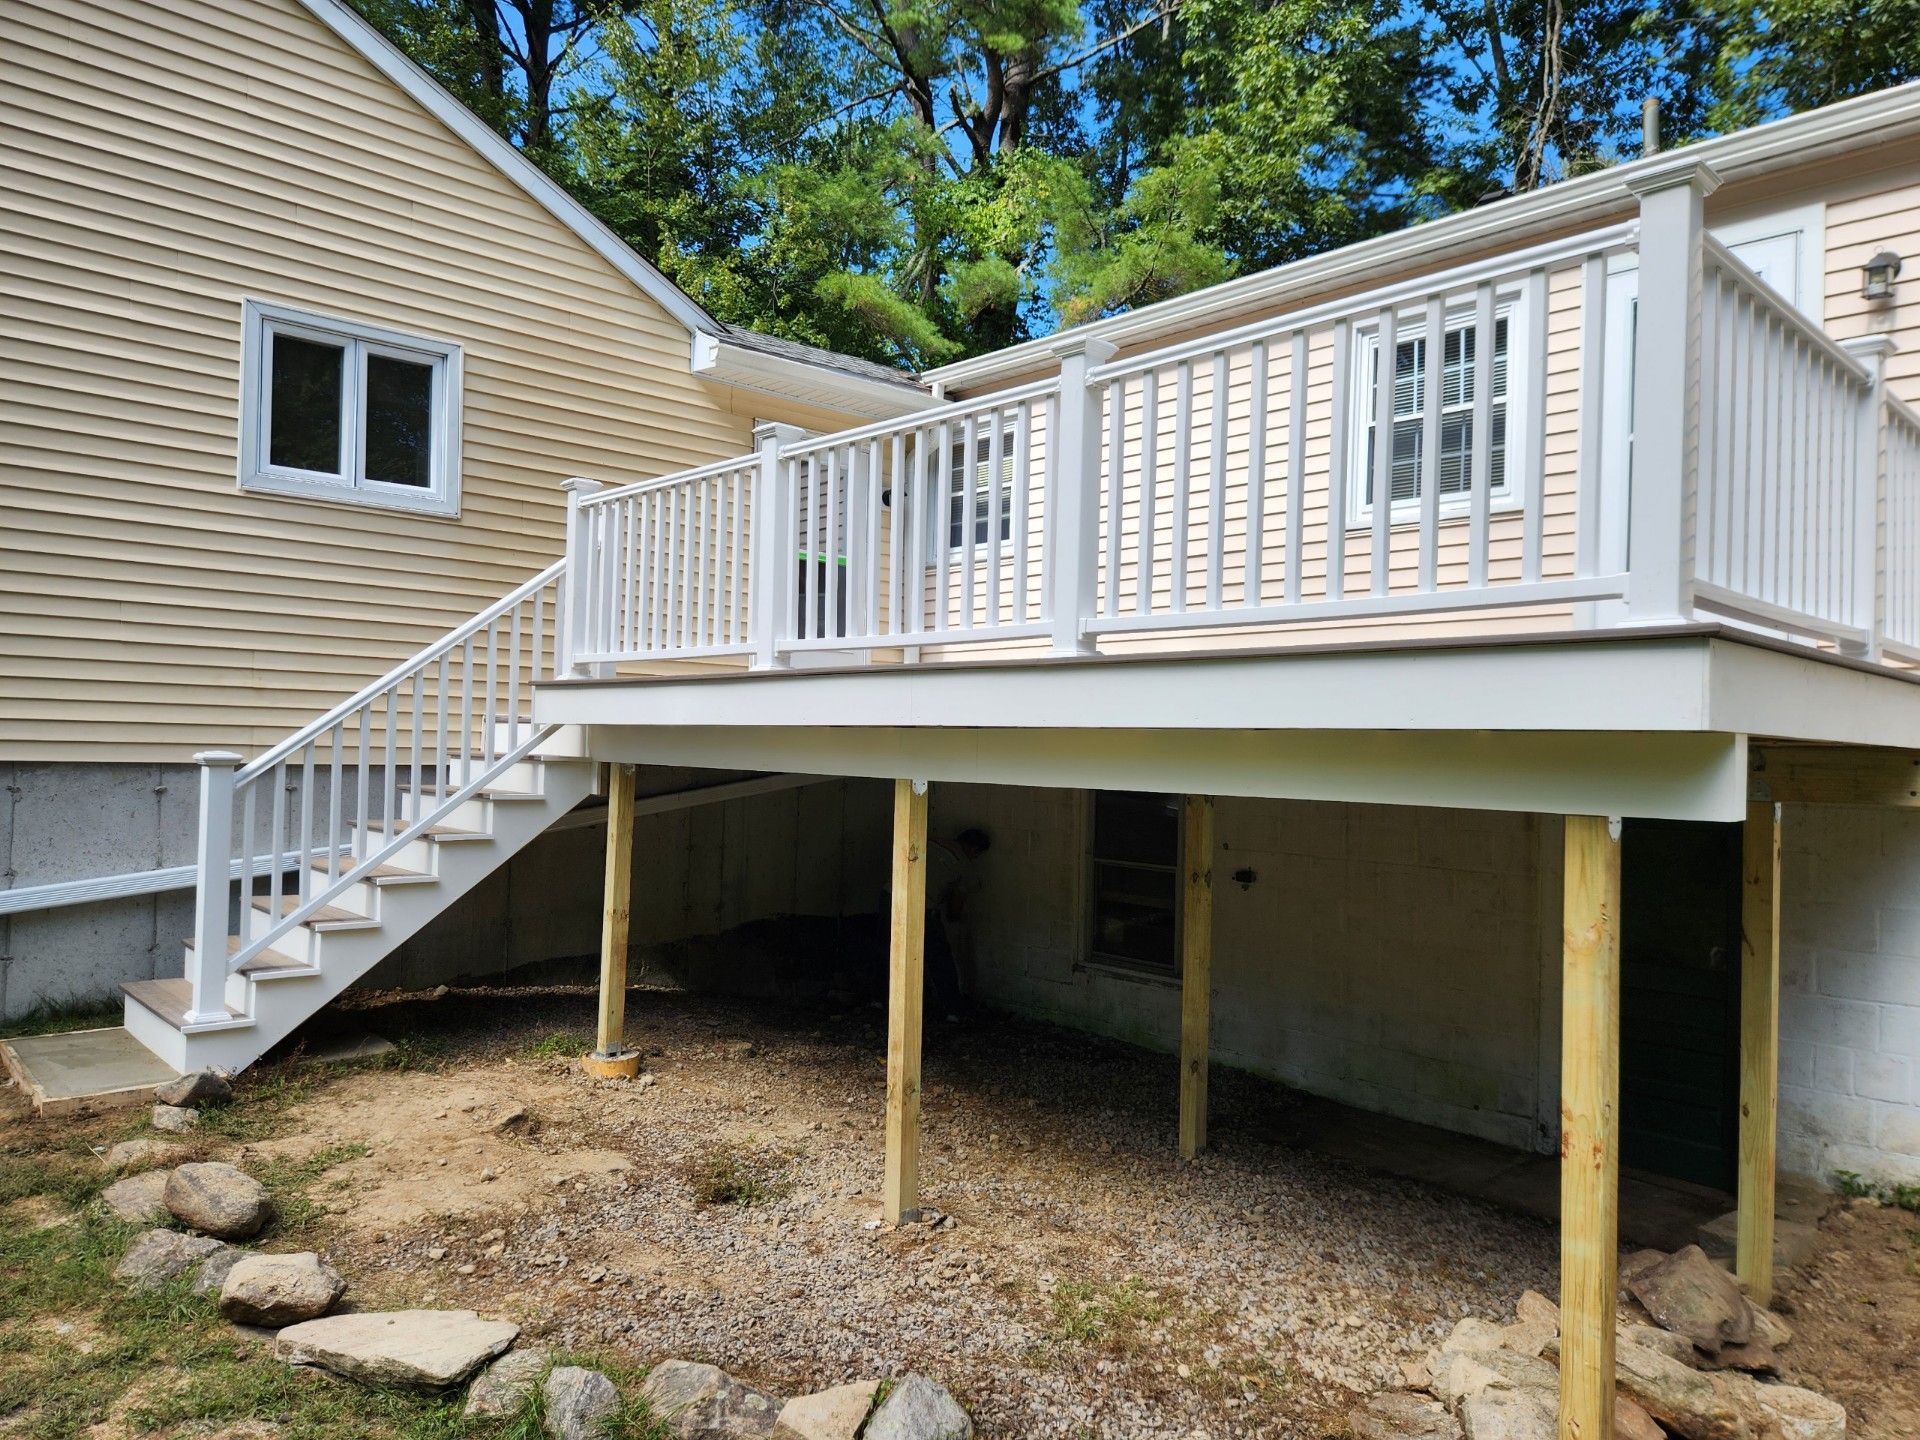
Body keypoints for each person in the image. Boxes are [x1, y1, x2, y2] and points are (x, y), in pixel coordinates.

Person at [924, 826, 990, 1019]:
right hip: (922, 908)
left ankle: (882, 1001)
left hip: (889, 895)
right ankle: (953, 1009)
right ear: (974, 849)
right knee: (940, 959)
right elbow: (955, 909)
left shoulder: (930, 841)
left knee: (888, 951)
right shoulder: (964, 866)